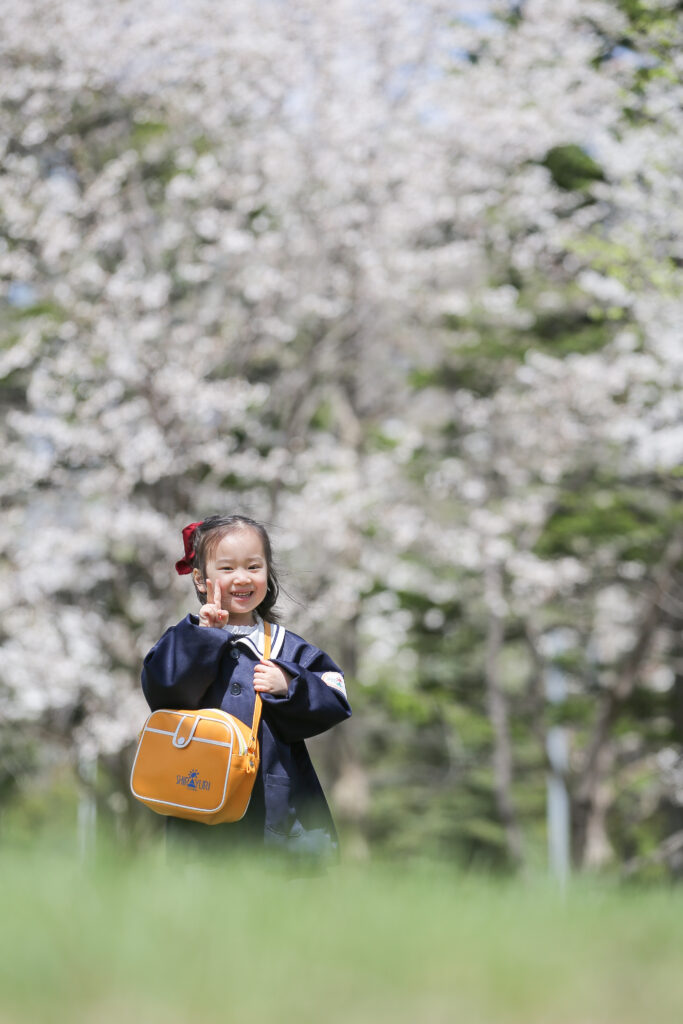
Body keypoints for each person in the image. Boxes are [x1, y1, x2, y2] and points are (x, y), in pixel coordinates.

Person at [141, 514, 351, 862]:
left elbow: (335, 696)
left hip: (272, 804)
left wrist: (290, 685)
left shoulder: (288, 647)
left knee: (269, 897)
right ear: (200, 578)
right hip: (197, 796)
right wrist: (205, 638)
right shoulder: (186, 637)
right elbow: (161, 691)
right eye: (227, 568)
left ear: (268, 573)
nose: (241, 578)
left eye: (253, 566)